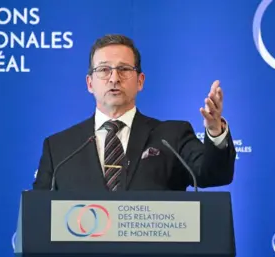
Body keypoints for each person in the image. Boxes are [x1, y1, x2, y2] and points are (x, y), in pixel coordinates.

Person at [33, 34, 236, 191]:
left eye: (124, 69)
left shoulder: (171, 136)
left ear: (140, 81)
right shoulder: (60, 148)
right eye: (104, 70)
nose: (114, 78)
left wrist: (215, 131)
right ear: (89, 83)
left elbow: (214, 175)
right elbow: (39, 215)